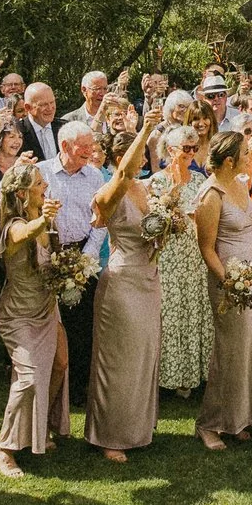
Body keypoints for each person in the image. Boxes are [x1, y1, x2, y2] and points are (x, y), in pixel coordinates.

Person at [84, 110, 166, 461]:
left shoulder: (148, 190)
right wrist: (146, 126)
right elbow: (122, 174)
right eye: (140, 152)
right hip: (121, 282)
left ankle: (138, 428)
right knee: (119, 358)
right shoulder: (108, 191)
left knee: (143, 356)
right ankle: (110, 435)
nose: (146, 159)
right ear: (123, 157)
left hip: (149, 279)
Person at [195, 129, 252, 450]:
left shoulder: (238, 185)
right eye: (245, 155)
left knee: (249, 351)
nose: (250, 160)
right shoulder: (211, 195)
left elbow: (247, 225)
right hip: (230, 284)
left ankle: (237, 418)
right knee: (229, 354)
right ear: (229, 161)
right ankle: (209, 424)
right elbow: (206, 247)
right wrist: (229, 281)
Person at [0, 164, 69, 477]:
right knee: (28, 378)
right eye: (39, 183)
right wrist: (44, 219)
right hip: (18, 314)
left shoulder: (48, 225)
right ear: (22, 193)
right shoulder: (13, 225)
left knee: (61, 364)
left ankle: (38, 428)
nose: (45, 186)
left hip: (46, 308)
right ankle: (5, 448)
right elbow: (25, 233)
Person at [41, 121, 112, 414]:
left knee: (82, 325)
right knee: (51, 324)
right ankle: (48, 386)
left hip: (84, 253)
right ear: (65, 146)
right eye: (84, 147)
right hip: (50, 254)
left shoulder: (95, 175)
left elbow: (101, 219)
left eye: (92, 146)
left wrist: (88, 256)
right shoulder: (43, 173)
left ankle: (77, 389)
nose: (91, 152)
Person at [155, 121, 214, 395]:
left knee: (193, 313)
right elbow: (156, 220)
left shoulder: (201, 180)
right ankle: (168, 377)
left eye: (194, 148)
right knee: (170, 314)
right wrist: (176, 187)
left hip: (194, 257)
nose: (190, 153)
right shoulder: (157, 181)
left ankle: (191, 376)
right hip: (168, 257)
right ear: (170, 149)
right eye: (185, 148)